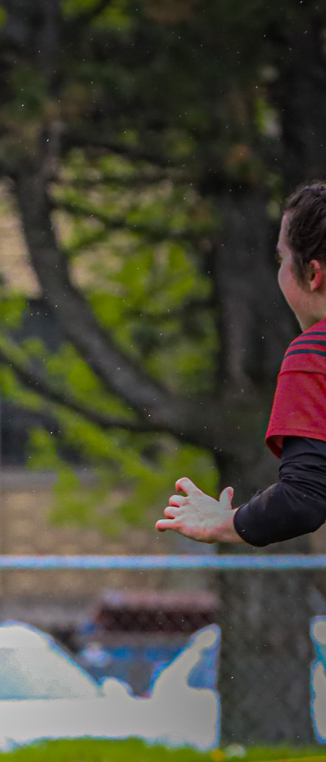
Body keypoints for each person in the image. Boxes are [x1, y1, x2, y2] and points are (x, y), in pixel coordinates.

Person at [159, 182, 326, 546]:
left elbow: (303, 500)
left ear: (314, 275)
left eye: (282, 260)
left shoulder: (315, 354)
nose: (279, 273)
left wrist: (225, 522)